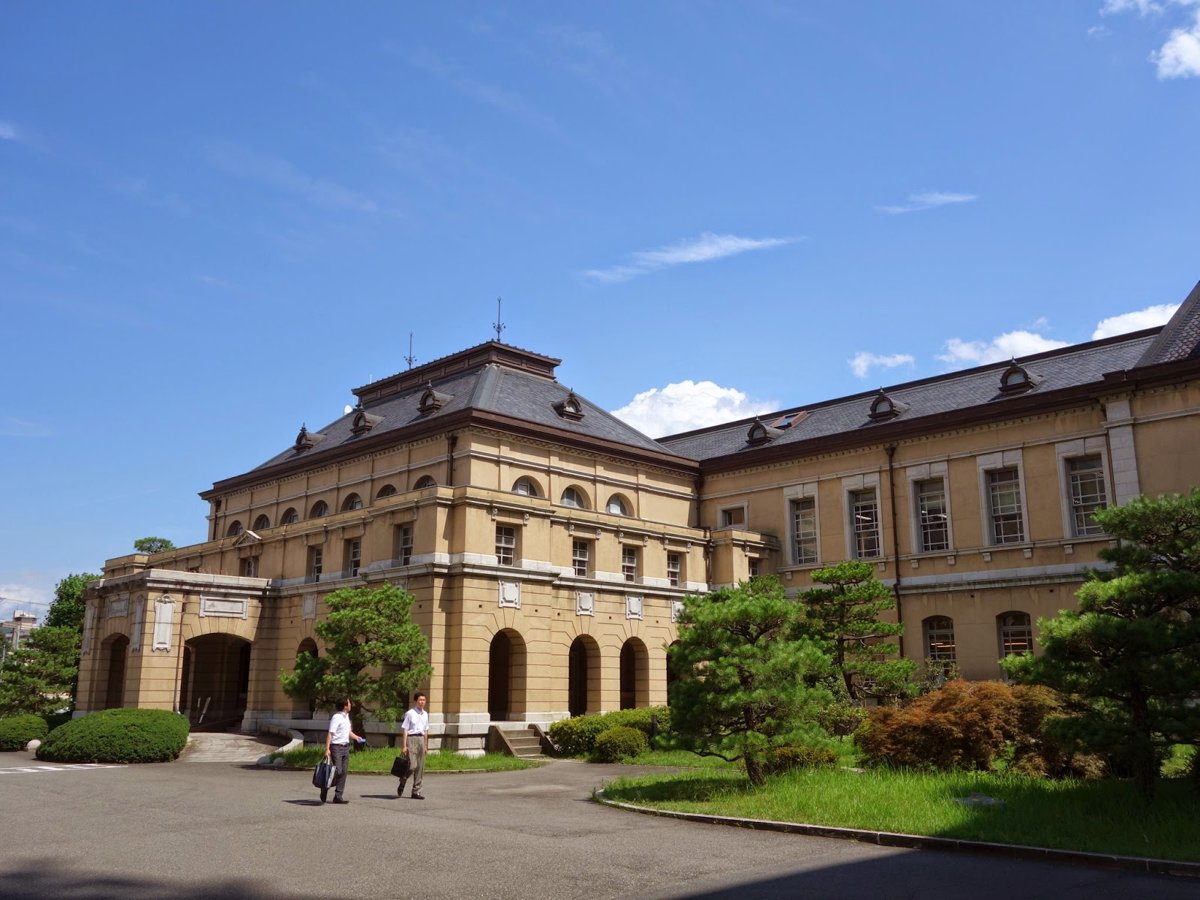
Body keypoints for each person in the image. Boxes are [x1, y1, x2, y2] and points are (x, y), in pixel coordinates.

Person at [324, 697, 365, 804]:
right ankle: (325, 787)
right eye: (349, 703)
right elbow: (330, 733)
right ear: (345, 706)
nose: (351, 705)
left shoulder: (346, 717)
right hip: (336, 747)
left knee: (344, 772)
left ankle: (338, 796)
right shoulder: (336, 717)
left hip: (345, 747)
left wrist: (356, 737)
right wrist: (327, 748)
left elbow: (348, 731)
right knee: (338, 770)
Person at [398, 691, 429, 799]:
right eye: (420, 700)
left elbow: (425, 731)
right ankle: (403, 780)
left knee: (420, 766)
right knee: (412, 765)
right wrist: (404, 746)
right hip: (411, 739)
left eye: (424, 700)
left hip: (421, 739)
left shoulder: (425, 714)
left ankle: (416, 791)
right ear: (416, 701)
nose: (422, 702)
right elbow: (405, 730)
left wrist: (425, 745)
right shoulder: (410, 713)